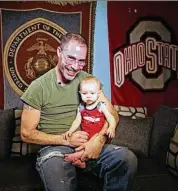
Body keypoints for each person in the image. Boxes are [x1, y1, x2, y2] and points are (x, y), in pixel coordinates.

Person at [20, 32, 138, 191]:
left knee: (127, 159)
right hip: (55, 150)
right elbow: (26, 133)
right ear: (59, 52)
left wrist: (98, 140)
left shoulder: (88, 81)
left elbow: (113, 115)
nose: (76, 66)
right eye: (71, 58)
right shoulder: (38, 87)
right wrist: (66, 140)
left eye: (81, 61)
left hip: (90, 145)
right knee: (58, 178)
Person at [62, 76, 117, 168]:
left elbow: (111, 118)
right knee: (80, 146)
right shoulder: (81, 107)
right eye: (84, 93)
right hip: (86, 136)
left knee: (89, 149)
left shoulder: (101, 106)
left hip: (98, 136)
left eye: (92, 93)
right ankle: (83, 164)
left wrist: (112, 127)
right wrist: (70, 131)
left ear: (99, 94)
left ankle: (76, 157)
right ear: (80, 93)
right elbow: (77, 121)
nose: (88, 96)